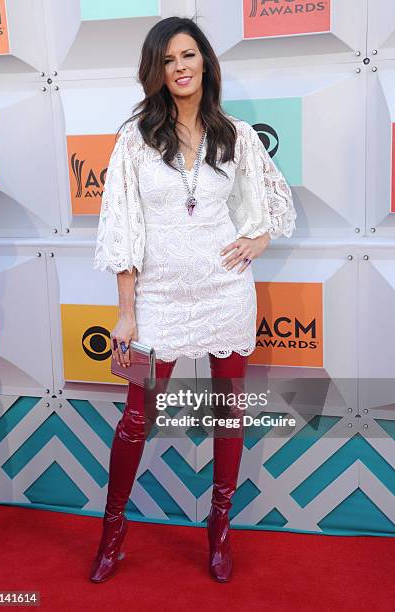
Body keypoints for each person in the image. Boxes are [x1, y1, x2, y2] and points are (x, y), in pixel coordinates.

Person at [91, 16, 297, 584]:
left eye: (188, 55)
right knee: (136, 416)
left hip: (225, 293)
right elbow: (123, 228)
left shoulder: (236, 135)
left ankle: (219, 531)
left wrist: (256, 239)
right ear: (155, 71)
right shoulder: (134, 138)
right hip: (156, 298)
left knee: (228, 414)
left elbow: (274, 206)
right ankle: (112, 532)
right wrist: (127, 311)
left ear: (204, 60)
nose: (179, 67)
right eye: (167, 60)